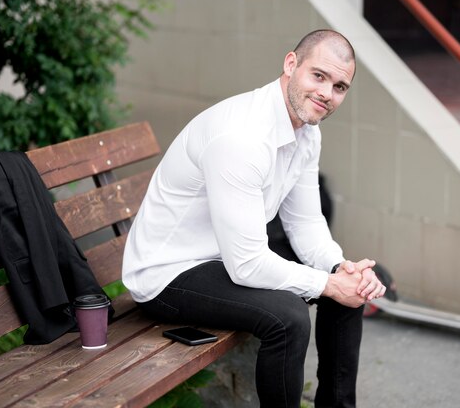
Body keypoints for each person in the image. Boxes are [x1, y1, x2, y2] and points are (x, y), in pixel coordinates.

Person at [122, 29, 386, 408]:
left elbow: (306, 223)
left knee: (348, 291)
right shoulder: (241, 138)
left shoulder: (307, 132)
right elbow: (246, 265)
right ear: (290, 64)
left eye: (340, 86)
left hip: (224, 258)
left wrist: (339, 268)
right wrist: (326, 284)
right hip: (169, 272)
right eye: (319, 76)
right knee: (289, 317)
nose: (328, 93)